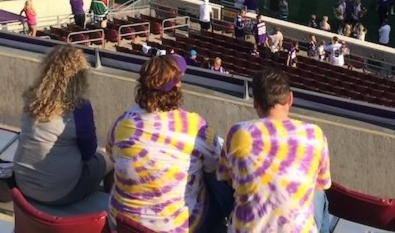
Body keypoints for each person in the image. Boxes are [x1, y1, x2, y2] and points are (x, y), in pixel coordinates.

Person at [108, 55, 225, 233]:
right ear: (177, 86)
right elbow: (216, 165)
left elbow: (111, 154)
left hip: (121, 224)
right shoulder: (195, 126)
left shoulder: (123, 122)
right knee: (217, 184)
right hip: (176, 228)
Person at [217, 67, 331, 233]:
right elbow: (321, 185)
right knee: (320, 195)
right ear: (290, 99)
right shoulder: (315, 134)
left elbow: (227, 179)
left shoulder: (237, 133)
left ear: (255, 101)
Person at [13, 46, 111, 207]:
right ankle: (108, 209)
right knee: (110, 156)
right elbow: (88, 153)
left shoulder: (31, 99)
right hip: (59, 193)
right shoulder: (80, 108)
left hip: (22, 183)